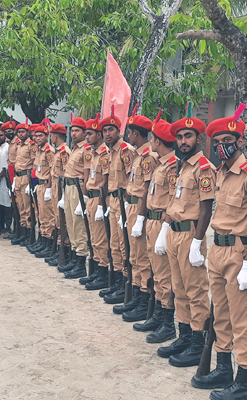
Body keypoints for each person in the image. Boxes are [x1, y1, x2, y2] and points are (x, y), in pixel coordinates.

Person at [192, 105, 247, 398]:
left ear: (240, 142)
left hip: (238, 253)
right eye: (218, 142)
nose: (222, 146)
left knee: (242, 318)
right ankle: (223, 368)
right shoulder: (218, 173)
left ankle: (244, 380)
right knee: (220, 313)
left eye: (227, 141)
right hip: (217, 250)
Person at [157, 105, 213, 368]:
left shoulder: (203, 168)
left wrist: (198, 242)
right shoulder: (182, 167)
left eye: (188, 136)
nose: (183, 141)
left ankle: (197, 344)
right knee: (178, 288)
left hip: (191, 235)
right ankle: (184, 334)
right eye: (180, 137)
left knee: (195, 291)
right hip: (175, 233)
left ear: (198, 139)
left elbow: (205, 209)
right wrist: (164, 230)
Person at [136, 118, 177, 343]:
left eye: (152, 138)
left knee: (164, 275)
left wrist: (165, 227)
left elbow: (172, 200)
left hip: (162, 222)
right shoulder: (161, 164)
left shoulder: (172, 167)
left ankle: (167, 322)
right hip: (152, 221)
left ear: (157, 140)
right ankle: (159, 314)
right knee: (155, 271)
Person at [118, 108, 159, 322]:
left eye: (130, 132)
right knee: (133, 255)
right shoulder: (138, 155)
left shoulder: (148, 157)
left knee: (142, 257)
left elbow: (146, 189)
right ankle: (135, 294)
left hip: (140, 209)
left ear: (136, 133)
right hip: (131, 206)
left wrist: (141, 217)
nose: (128, 136)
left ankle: (144, 299)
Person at [99, 110, 133, 305]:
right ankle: (118, 282)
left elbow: (131, 179)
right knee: (114, 244)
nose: (107, 133)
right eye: (104, 130)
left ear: (119, 130)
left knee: (123, 244)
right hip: (112, 200)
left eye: (111, 129)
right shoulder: (108, 152)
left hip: (123, 201)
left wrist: (127, 205)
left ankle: (126, 283)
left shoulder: (125, 150)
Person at [80, 115, 112, 291]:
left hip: (99, 199)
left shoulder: (104, 154)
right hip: (91, 197)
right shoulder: (92, 153)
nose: (87, 136)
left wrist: (101, 204)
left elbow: (105, 180)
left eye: (90, 133)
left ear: (98, 135)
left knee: (100, 239)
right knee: (93, 236)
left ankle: (102, 272)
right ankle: (95, 270)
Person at [60, 116, 91, 281]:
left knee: (79, 226)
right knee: (71, 223)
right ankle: (74, 257)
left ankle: (80, 262)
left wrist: (84, 196)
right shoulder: (74, 149)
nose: (73, 133)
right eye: (72, 130)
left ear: (85, 132)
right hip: (69, 187)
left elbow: (86, 175)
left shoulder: (86, 149)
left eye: (77, 130)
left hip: (78, 188)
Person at [43, 123, 70, 266]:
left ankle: (63, 251)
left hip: (60, 186)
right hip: (54, 185)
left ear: (56, 136)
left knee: (61, 220)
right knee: (56, 218)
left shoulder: (64, 151)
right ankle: (59, 249)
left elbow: (66, 172)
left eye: (51, 135)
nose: (51, 137)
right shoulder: (58, 151)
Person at [27, 122, 54, 253]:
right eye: (36, 136)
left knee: (47, 215)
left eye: (40, 136)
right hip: (39, 184)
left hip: (46, 185)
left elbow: (51, 171)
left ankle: (48, 243)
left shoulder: (49, 151)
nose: (37, 138)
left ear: (46, 136)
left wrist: (49, 189)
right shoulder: (38, 150)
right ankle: (42, 239)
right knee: (40, 214)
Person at [10, 121, 37, 245]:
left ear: (27, 133)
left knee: (27, 207)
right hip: (18, 177)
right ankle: (23, 231)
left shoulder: (31, 145)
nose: (20, 134)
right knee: (20, 206)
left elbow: (34, 162)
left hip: (26, 177)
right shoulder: (18, 145)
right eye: (19, 132)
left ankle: (29, 234)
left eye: (23, 132)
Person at [0, 123, 14, 236]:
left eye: (1, 135)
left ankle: (7, 228)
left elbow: (9, 163)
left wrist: (1, 175)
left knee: (6, 203)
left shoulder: (8, 147)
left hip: (5, 178)